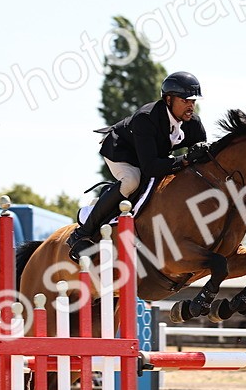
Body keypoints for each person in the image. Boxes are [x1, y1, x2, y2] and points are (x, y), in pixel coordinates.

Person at [68, 71, 211, 263]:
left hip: (150, 155)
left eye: (193, 101)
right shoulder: (146, 118)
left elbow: (201, 156)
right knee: (132, 181)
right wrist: (184, 160)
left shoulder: (193, 122)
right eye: (185, 100)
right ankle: (81, 233)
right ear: (168, 100)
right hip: (121, 151)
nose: (191, 105)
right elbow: (151, 167)